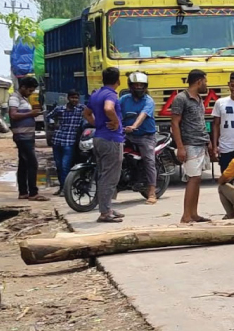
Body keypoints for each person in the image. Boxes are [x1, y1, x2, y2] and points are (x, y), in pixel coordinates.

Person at [83, 68, 125, 222]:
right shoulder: (110, 94)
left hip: (99, 137)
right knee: (110, 177)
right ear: (118, 80)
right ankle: (105, 213)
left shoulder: (96, 94)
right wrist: (115, 122)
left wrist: (98, 124)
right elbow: (108, 108)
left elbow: (86, 113)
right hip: (111, 139)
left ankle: (107, 208)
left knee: (103, 175)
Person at [170, 69, 211, 223]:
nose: (206, 84)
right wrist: (180, 147)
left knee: (197, 179)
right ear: (199, 81)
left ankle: (194, 213)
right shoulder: (181, 98)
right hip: (190, 144)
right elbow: (175, 123)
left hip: (200, 142)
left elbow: (200, 121)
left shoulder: (199, 98)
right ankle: (186, 215)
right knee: (192, 179)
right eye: (205, 81)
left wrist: (208, 141)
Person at [119, 72, 158, 204]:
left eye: (141, 85)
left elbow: (143, 115)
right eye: (136, 85)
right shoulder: (124, 99)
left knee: (149, 161)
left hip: (145, 136)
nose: (139, 87)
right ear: (130, 86)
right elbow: (115, 111)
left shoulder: (148, 101)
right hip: (126, 135)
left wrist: (134, 126)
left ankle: (152, 192)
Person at [8, 76, 47, 201]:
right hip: (22, 136)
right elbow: (13, 115)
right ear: (23, 87)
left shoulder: (22, 98)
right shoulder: (15, 98)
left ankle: (23, 192)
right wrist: (31, 114)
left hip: (26, 136)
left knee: (24, 164)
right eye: (30, 90)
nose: (31, 93)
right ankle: (33, 193)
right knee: (32, 163)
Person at [45, 90, 84, 195]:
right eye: (72, 98)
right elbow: (49, 117)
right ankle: (62, 187)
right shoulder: (60, 109)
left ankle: (66, 189)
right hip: (57, 140)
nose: (74, 100)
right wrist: (53, 124)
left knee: (65, 166)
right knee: (58, 166)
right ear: (68, 98)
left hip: (70, 141)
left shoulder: (81, 109)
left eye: (76, 98)